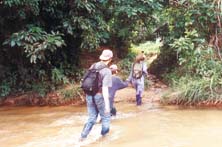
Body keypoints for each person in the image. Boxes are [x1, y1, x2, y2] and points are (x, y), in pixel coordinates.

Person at [80, 49, 113, 141]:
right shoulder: (107, 71)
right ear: (110, 59)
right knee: (106, 117)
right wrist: (107, 105)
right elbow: (105, 89)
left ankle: (82, 137)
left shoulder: (93, 65)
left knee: (91, 118)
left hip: (89, 94)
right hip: (99, 95)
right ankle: (104, 138)